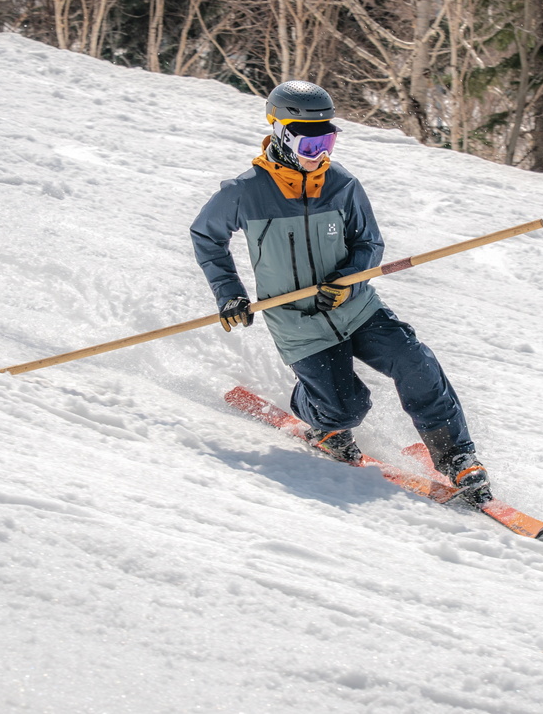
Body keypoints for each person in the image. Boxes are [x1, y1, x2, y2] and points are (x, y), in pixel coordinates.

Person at [190, 80, 491, 501]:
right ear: (280, 134)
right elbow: (206, 236)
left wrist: (351, 277)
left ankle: (457, 457)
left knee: (414, 361)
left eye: (328, 142)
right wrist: (229, 293)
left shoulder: (342, 184)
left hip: (357, 307)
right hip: (298, 324)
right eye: (311, 146)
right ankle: (322, 418)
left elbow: (369, 243)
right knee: (346, 409)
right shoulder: (244, 192)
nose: (322, 155)